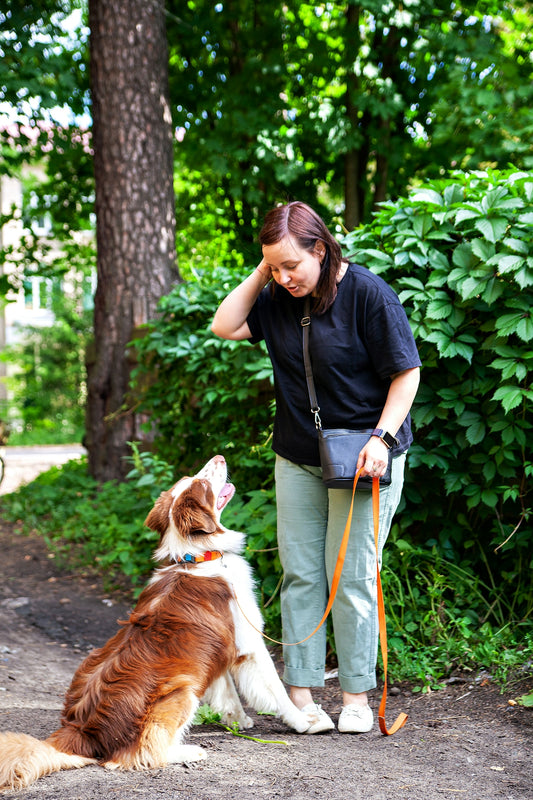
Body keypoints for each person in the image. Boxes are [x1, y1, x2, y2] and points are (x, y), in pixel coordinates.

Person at [211, 201, 421, 734]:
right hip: (298, 454)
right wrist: (265, 270)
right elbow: (224, 325)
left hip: (363, 456)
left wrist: (383, 436)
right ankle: (301, 694)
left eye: (292, 266)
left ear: (321, 250)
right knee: (301, 573)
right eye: (274, 268)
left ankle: (354, 695)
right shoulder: (277, 296)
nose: (284, 277)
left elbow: (407, 374)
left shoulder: (368, 295)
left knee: (350, 577)